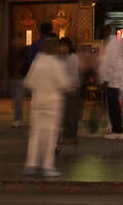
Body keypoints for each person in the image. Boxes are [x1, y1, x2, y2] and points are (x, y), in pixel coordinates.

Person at [23, 35, 69, 177]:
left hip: (38, 100)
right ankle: (47, 165)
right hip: (53, 102)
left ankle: (31, 163)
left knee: (35, 133)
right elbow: (63, 83)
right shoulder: (56, 63)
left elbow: (29, 82)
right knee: (50, 135)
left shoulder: (38, 62)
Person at [100, 28, 123, 139]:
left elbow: (109, 63)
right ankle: (114, 128)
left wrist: (105, 78)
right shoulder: (117, 43)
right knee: (115, 104)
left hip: (114, 80)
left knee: (114, 105)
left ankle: (117, 130)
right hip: (119, 78)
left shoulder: (112, 45)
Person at [58, 36, 81, 144]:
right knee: (64, 115)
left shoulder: (73, 58)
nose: (62, 48)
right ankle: (66, 135)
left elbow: (74, 74)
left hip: (72, 89)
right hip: (62, 89)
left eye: (64, 46)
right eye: (61, 46)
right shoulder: (59, 58)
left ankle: (72, 136)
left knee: (71, 115)